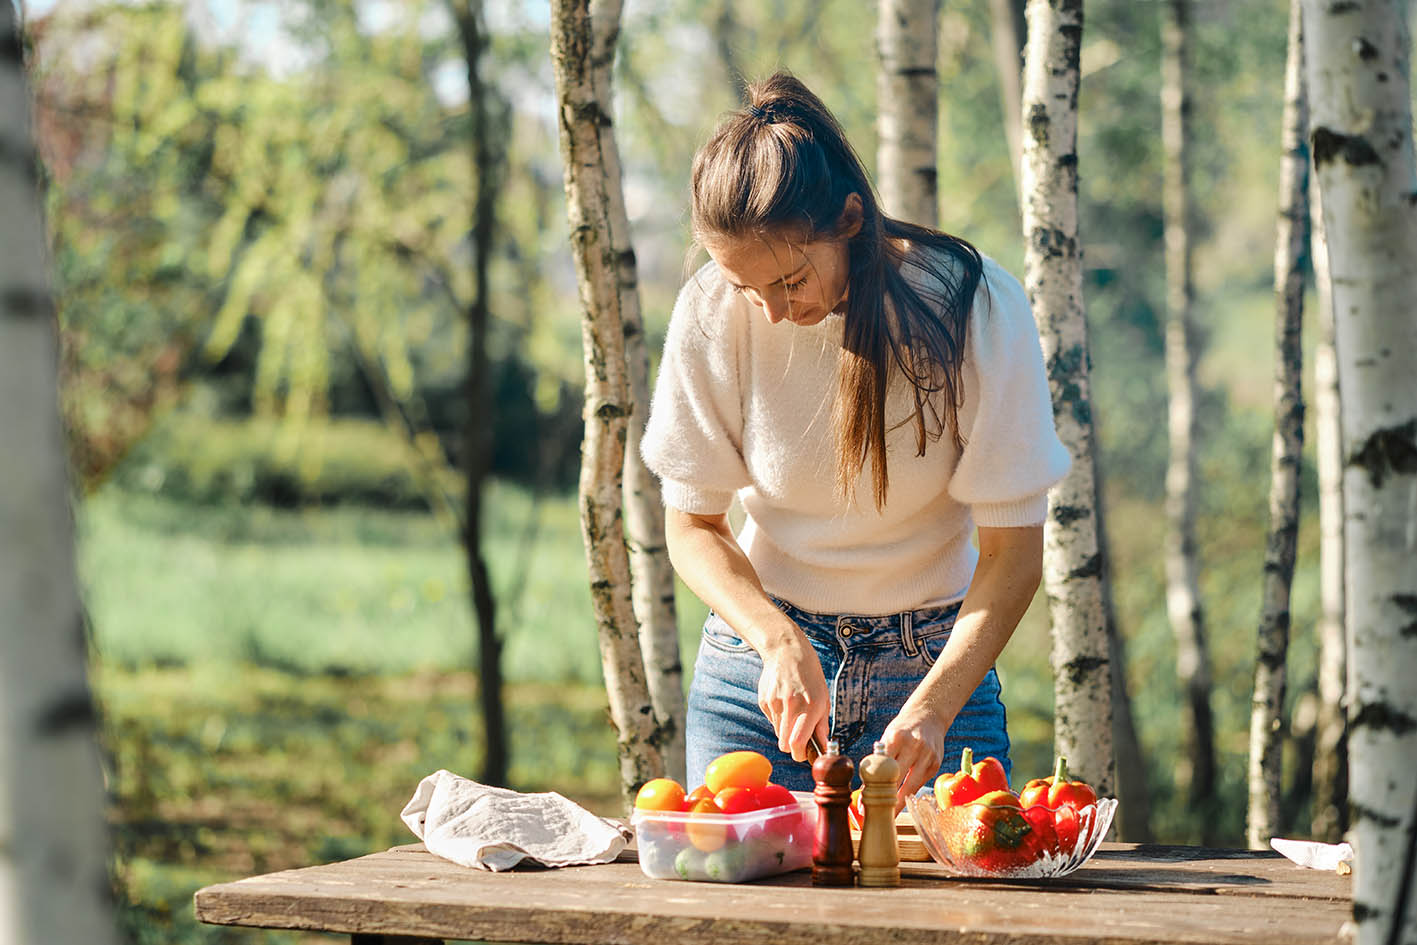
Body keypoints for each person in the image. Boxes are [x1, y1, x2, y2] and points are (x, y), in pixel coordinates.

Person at [640, 72, 1070, 805]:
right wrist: (776, 640)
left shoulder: (974, 305)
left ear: (847, 217)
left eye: (790, 280)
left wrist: (933, 707)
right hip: (757, 683)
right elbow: (694, 526)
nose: (771, 312)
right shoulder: (711, 311)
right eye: (747, 288)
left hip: (938, 673)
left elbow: (1011, 554)